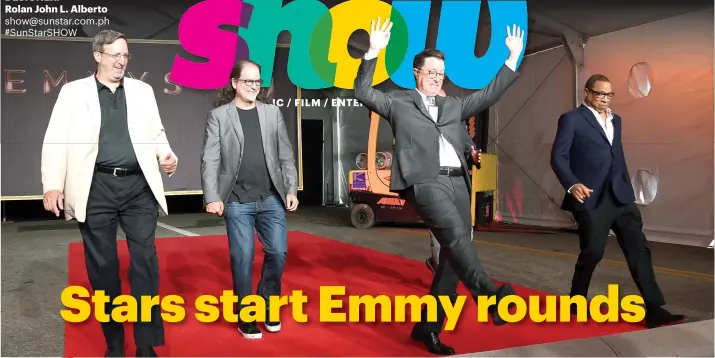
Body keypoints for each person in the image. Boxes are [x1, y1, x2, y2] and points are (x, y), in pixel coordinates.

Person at [353, 18, 523, 355]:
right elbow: (363, 92)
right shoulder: (398, 102)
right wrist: (372, 52)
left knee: (450, 259)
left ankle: (427, 328)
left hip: (458, 182)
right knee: (457, 240)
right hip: (424, 181)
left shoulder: (454, 105)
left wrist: (511, 58)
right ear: (416, 72)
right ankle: (488, 296)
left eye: (440, 73)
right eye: (431, 72)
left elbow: (490, 94)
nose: (437, 77)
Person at [41, 29, 177, 357]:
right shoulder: (73, 93)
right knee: (103, 270)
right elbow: (56, 138)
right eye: (115, 54)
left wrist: (165, 155)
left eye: (125, 55)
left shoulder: (142, 91)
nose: (121, 61)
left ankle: (145, 345)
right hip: (95, 188)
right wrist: (52, 184)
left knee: (145, 262)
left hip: (137, 188)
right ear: (98, 55)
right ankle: (114, 343)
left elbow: (156, 130)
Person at [550, 74, 686, 329]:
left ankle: (655, 309)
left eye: (609, 94)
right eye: (599, 93)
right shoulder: (571, 120)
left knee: (639, 250)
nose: (604, 98)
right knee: (593, 252)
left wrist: (627, 186)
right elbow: (558, 157)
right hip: (591, 197)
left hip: (621, 197)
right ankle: (576, 301)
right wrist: (572, 184)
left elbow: (616, 156)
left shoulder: (617, 120)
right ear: (587, 93)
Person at [200, 60, 299, 340]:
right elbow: (210, 159)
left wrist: (291, 189)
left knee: (278, 253)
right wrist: (212, 196)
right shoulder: (219, 116)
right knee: (242, 258)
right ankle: (246, 316)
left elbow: (286, 155)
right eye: (248, 82)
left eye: (257, 82)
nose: (255, 87)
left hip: (271, 199)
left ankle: (267, 304)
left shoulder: (272, 113)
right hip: (236, 201)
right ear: (234, 83)